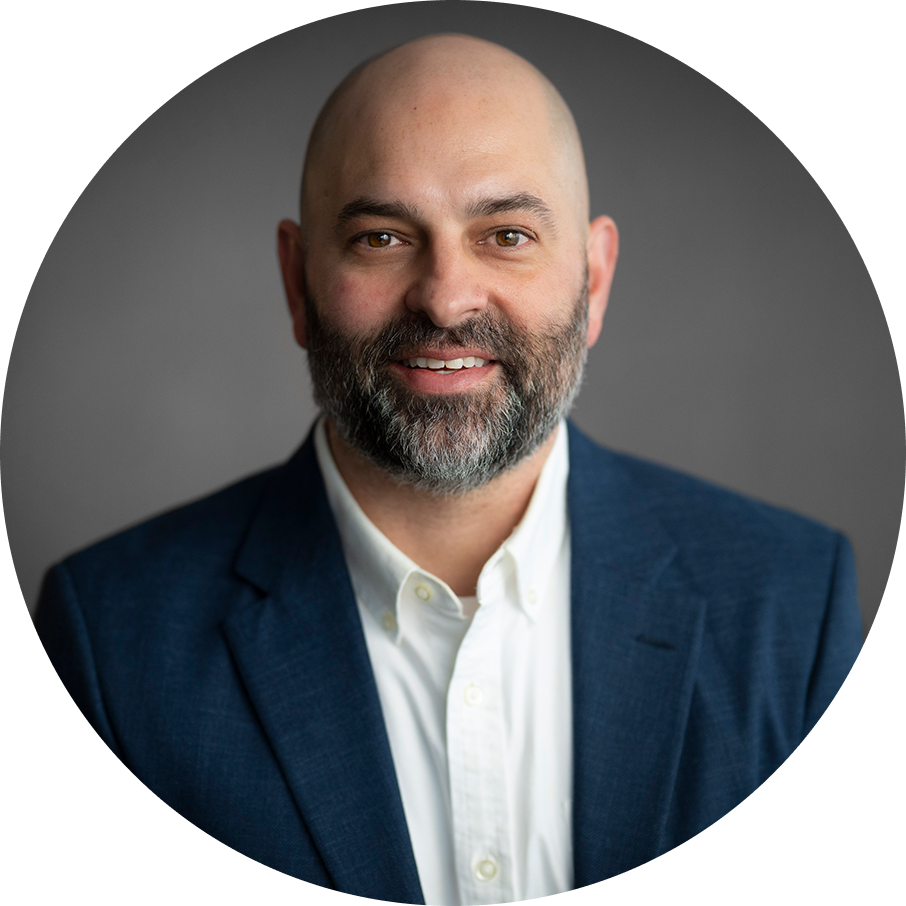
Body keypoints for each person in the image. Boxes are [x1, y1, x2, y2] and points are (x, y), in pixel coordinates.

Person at [22, 33, 875, 905]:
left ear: (596, 279)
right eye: (383, 236)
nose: (445, 295)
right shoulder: (108, 649)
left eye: (506, 234)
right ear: (296, 283)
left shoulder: (795, 613)